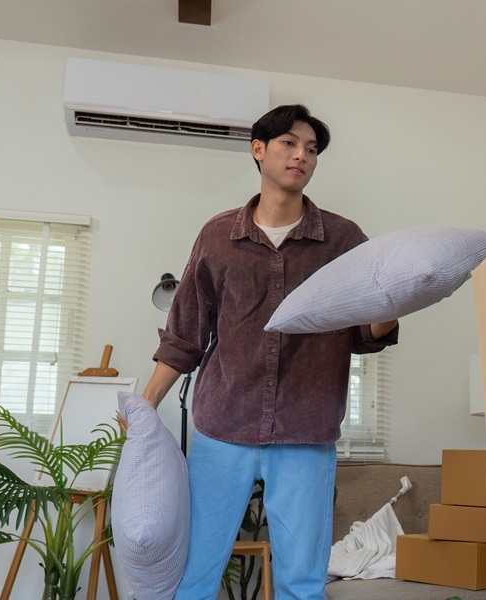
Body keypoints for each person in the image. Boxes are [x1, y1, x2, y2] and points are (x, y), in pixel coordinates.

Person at [143, 104, 398, 599]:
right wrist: (145, 405)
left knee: (301, 583)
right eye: (289, 143)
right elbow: (185, 333)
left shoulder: (344, 239)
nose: (301, 155)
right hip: (223, 427)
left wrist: (395, 300)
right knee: (195, 574)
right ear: (258, 150)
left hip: (307, 429)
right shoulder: (217, 236)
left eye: (312, 149)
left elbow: (367, 333)